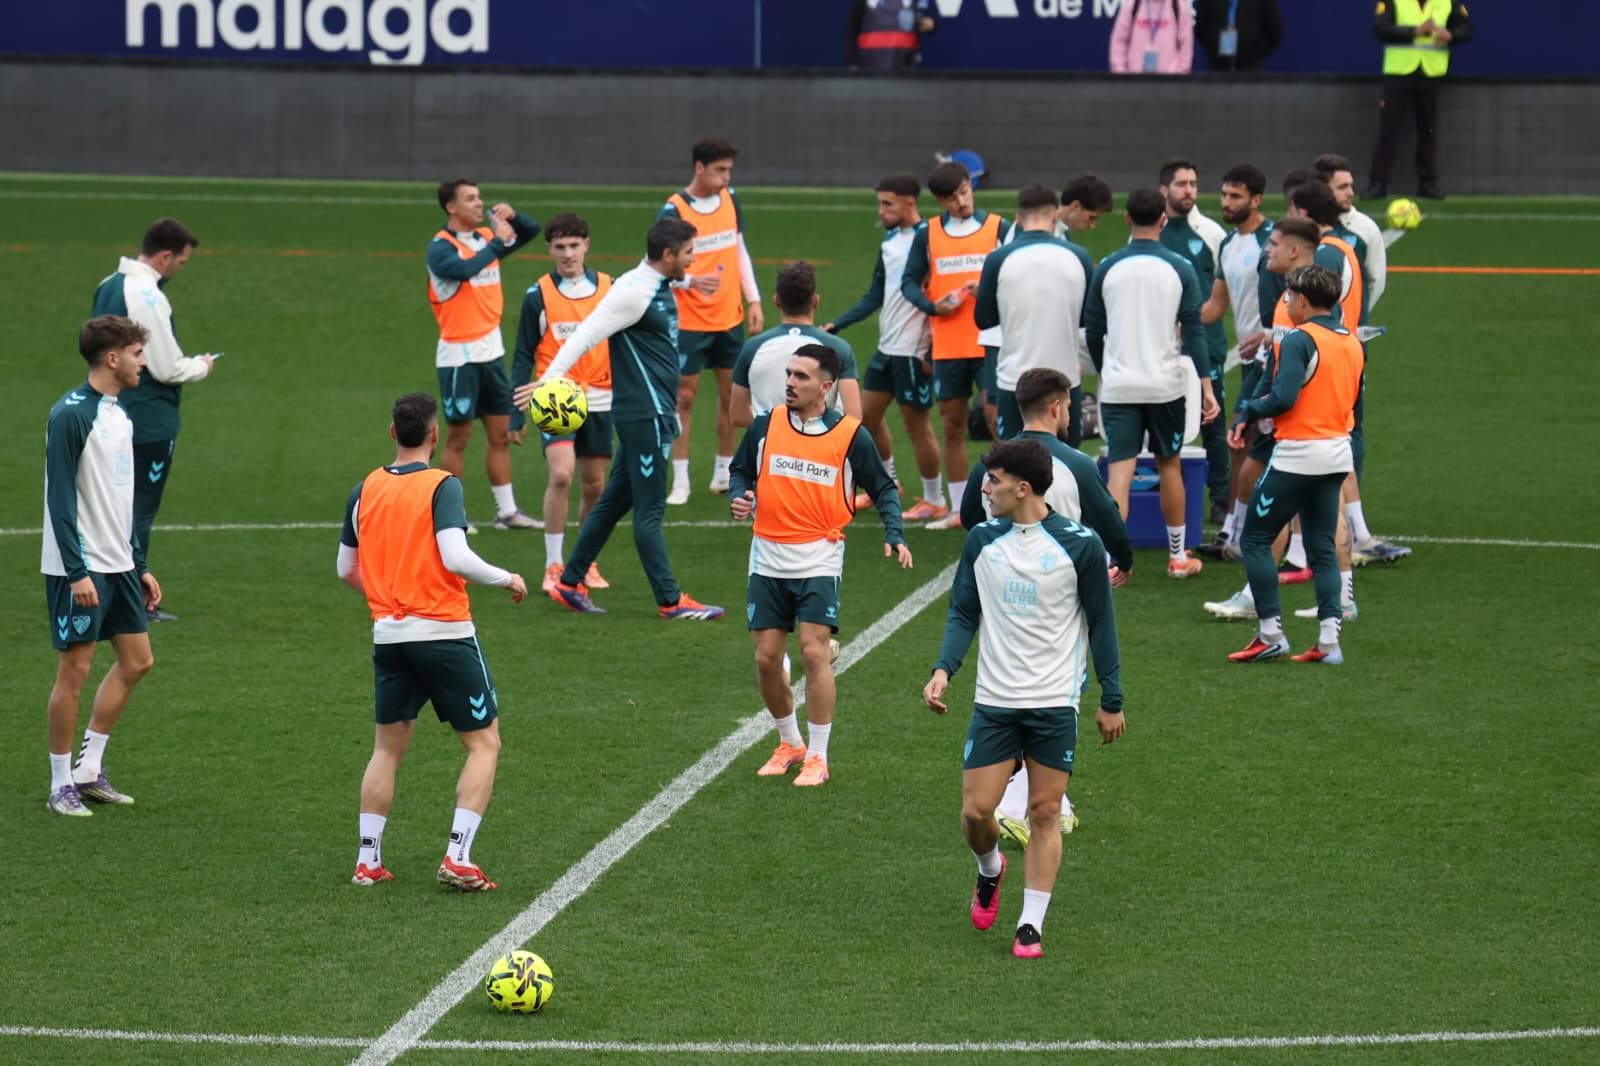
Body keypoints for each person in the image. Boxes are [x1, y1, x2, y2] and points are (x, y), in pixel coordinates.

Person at [923, 437, 1125, 959]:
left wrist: (1112, 698)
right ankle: (990, 870)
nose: (983, 487)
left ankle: (1030, 924)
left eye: (992, 480)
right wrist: (944, 669)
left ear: (1023, 487)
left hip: (1055, 702)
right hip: (995, 701)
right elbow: (964, 611)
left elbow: (1102, 623)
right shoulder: (983, 542)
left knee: (1043, 810)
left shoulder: (1080, 545)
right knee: (976, 812)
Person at [337, 393, 528, 891]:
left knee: (388, 748)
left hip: (390, 636)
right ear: (434, 434)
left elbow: (345, 569)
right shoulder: (443, 485)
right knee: (484, 743)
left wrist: (384, 597)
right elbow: (456, 556)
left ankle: (368, 861)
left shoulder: (365, 489)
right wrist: (508, 577)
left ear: (392, 432)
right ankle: (458, 857)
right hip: (443, 631)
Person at [954, 369, 1133, 850]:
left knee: (1024, 697)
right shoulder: (1075, 462)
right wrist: (1125, 559)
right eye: (1070, 406)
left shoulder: (996, 462)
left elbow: (973, 514)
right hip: (1061, 598)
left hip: (1012, 594)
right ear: (1056, 407)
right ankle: (1025, 807)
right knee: (1053, 700)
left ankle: (1047, 804)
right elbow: (1109, 522)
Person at [517, 218, 725, 621]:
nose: (693, 259)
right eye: (688, 253)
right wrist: (546, 383)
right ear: (668, 255)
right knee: (649, 512)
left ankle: (569, 581)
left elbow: (665, 286)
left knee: (614, 502)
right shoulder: (631, 294)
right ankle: (670, 600)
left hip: (654, 412)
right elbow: (584, 335)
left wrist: (691, 282)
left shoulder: (654, 282)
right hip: (643, 415)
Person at [730, 345, 910, 788]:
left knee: (812, 652)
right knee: (768, 658)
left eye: (802, 377)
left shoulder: (850, 435)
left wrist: (894, 533)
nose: (790, 382)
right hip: (767, 555)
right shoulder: (765, 425)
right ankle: (789, 742)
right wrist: (741, 495)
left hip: (819, 556)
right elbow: (740, 471)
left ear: (826, 387)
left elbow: (884, 488)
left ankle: (818, 754)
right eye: (789, 374)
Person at [42, 316, 162, 817]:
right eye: (137, 352)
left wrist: (139, 564)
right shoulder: (70, 415)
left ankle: (89, 770)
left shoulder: (119, 414)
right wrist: (76, 571)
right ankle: (59, 783)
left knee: (138, 661)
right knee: (77, 669)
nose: (143, 362)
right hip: (82, 566)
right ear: (112, 358)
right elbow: (61, 498)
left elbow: (121, 499)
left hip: (117, 563)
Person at [1226, 266, 1364, 664]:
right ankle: (1328, 643)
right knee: (1321, 545)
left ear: (1303, 300)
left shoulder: (1301, 340)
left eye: (1289, 296)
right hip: (1338, 454)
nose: (1285, 302)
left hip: (1299, 455)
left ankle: (1270, 634)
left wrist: (1249, 410)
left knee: (1254, 540)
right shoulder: (1350, 341)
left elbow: (1284, 397)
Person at [1084, 189, 1218, 578]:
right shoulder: (1180, 268)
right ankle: (1178, 557)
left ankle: (1112, 562)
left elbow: (1094, 329)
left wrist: (1104, 367)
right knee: (1170, 465)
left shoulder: (1108, 267)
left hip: (1120, 386)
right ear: (1163, 220)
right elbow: (1194, 333)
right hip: (1165, 386)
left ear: (1127, 219)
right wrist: (1207, 388)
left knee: (1119, 474)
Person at [91, 218, 216, 623]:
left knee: (109, 507)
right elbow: (165, 366)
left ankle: (105, 592)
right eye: (180, 261)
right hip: (146, 421)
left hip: (109, 412)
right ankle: (134, 603)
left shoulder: (109, 284)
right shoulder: (146, 295)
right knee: (138, 510)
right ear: (165, 256)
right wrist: (201, 366)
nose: (180, 268)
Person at [825, 173, 946, 522]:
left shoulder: (931, 241)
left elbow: (938, 295)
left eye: (887, 204)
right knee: (866, 420)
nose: (881, 210)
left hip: (914, 349)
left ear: (910, 203)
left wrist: (932, 348)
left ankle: (934, 499)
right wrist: (838, 323)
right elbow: (875, 294)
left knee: (916, 426)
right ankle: (886, 486)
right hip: (887, 348)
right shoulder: (890, 241)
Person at [426, 178, 542, 531]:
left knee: (500, 433)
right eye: (471, 199)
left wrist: (514, 218)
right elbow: (462, 270)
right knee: (459, 437)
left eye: (479, 198)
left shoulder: (480, 241)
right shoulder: (441, 247)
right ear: (451, 207)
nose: (480, 204)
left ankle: (507, 513)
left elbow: (531, 231)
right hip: (459, 358)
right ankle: (451, 515)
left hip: (491, 353)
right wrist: (499, 242)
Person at [899, 160, 1010, 530]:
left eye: (964, 192)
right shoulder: (928, 234)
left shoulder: (998, 228)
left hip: (992, 342)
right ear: (940, 201)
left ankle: (1008, 503)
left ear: (971, 186)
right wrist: (934, 306)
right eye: (951, 198)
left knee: (999, 423)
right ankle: (962, 509)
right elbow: (909, 283)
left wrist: (990, 290)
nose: (961, 202)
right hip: (948, 344)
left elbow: (1019, 275)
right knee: (951, 425)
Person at [508, 213, 615, 594]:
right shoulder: (538, 294)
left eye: (574, 245)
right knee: (562, 475)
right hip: (555, 400)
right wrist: (515, 411)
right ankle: (553, 564)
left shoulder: (609, 289)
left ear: (586, 245)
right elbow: (523, 354)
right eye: (560, 247)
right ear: (550, 249)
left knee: (594, 486)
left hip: (601, 397)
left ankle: (584, 564)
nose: (568, 254)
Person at [659, 138, 763, 505]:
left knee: (731, 396)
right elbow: (658, 266)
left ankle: (724, 472)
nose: (726, 176)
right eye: (720, 169)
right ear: (699, 168)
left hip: (728, 317)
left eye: (729, 170)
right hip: (688, 322)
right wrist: (689, 281)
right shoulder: (674, 209)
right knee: (683, 398)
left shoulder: (730, 200)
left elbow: (738, 248)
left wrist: (753, 299)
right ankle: (681, 481)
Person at [973, 185, 1095, 445]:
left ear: (1018, 217)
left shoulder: (998, 259)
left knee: (1015, 468)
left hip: (1014, 380)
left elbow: (983, 319)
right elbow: (1087, 319)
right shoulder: (1080, 257)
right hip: (1063, 380)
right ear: (1054, 217)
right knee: (1066, 467)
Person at [1195, 163, 1273, 559]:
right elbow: (1214, 306)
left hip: (1274, 357)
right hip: (1250, 360)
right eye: (1224, 194)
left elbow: (1295, 300)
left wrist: (1271, 332)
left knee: (1246, 436)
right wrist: (1177, 320)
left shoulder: (1273, 241)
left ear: (1256, 200)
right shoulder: (1228, 245)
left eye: (1235, 196)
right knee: (1243, 440)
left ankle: (1240, 533)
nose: (1226, 202)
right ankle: (1235, 530)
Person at [1157, 158, 1231, 523]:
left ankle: (1221, 498)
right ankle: (1158, 495)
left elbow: (1222, 291)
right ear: (1163, 191)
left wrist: (1193, 324)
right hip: (1161, 348)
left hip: (1206, 346)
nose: (1188, 190)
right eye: (1181, 184)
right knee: (1161, 423)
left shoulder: (1212, 234)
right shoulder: (1151, 231)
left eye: (1193, 184)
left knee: (1213, 425)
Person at [1365, 0, 1474, 200]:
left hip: (1431, 73)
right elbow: (1381, 29)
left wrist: (1451, 35)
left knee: (1428, 130)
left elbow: (1465, 27)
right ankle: (1378, 183)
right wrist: (1415, 31)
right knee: (1388, 130)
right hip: (1398, 73)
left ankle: (1428, 183)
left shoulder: (1448, 2)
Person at [731, 261, 861, 425]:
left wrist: (773, 429)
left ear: (777, 301)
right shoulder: (838, 349)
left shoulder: (753, 347)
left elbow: (738, 416)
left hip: (769, 447)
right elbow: (854, 419)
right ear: (815, 301)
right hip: (819, 447)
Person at [1313, 153, 1387, 310]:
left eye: (1350, 185)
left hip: (1350, 330)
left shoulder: (1366, 228)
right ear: (1322, 189)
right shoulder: (1306, 224)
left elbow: (1376, 280)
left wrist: (1355, 316)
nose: (1351, 193)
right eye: (1342, 187)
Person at [1194, 0, 1283, 72]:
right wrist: (1213, 47)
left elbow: (1275, 31)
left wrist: (1257, 54)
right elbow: (1200, 28)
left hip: (1251, 69)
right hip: (1218, 67)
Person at [845, 0, 936, 69]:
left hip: (906, 67)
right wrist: (850, 62)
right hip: (871, 66)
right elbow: (852, 29)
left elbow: (926, 21)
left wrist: (930, 25)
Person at [1109, 0, 1193, 74]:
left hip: (1170, 84)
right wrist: (1121, 74)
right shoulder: (1133, 3)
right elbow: (1119, 40)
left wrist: (1180, 77)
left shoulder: (1179, 5)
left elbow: (1186, 43)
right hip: (1135, 83)